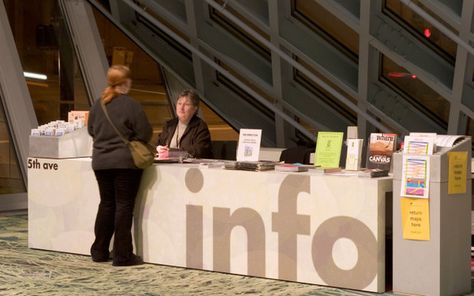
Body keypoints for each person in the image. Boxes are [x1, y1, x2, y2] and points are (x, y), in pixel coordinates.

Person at [87, 65, 152, 266]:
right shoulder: (131, 105)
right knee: (124, 205)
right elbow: (144, 132)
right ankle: (122, 255)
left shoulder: (98, 105)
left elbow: (91, 130)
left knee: (106, 204)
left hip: (100, 162)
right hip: (124, 163)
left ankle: (99, 250)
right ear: (125, 83)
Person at [156, 90, 213, 159]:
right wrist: (158, 148)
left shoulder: (200, 126)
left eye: (186, 104)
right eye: (179, 103)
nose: (181, 108)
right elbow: (159, 144)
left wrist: (172, 153)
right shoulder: (169, 125)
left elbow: (199, 151)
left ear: (195, 108)